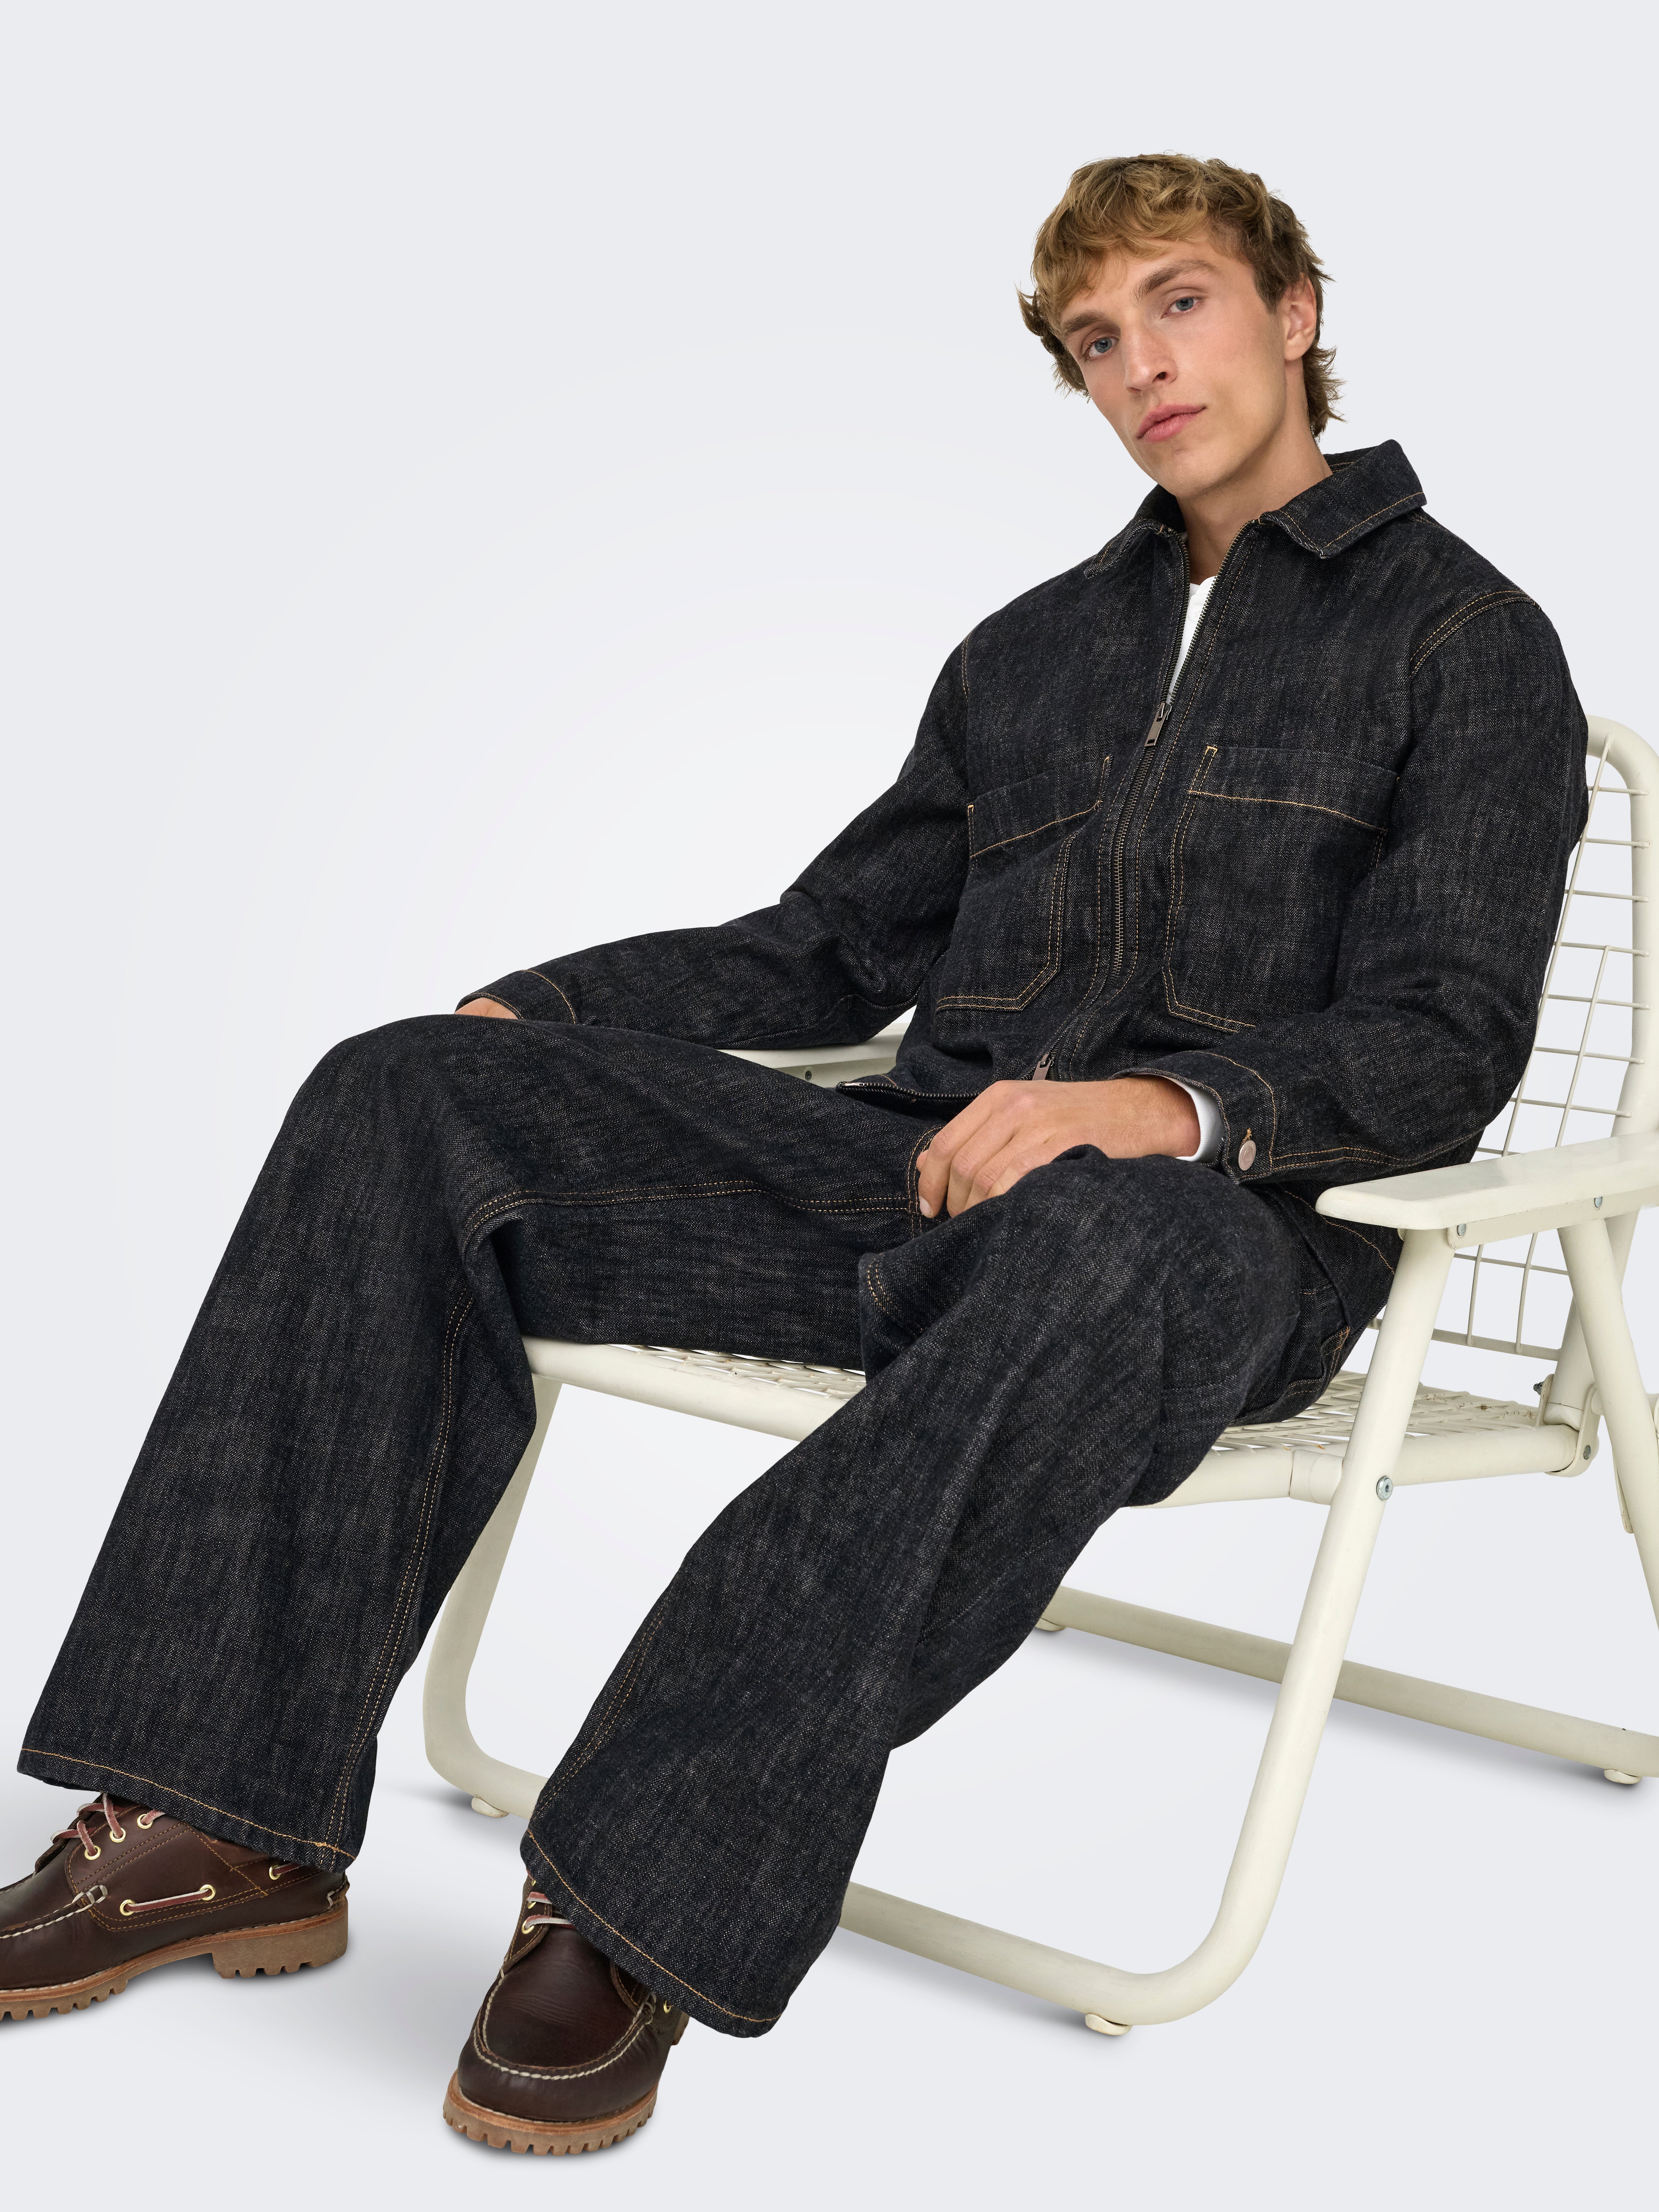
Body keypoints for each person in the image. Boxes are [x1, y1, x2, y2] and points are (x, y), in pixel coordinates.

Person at [4, 153, 1587, 2153]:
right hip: (913, 1180)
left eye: (1180, 304)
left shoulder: (1467, 640)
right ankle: (222, 1820)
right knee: (399, 1094)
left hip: (1216, 1243)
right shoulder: (1031, 652)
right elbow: (832, 948)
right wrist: (543, 1013)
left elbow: (1448, 1036)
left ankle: (630, 1900)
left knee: (1112, 1242)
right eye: (1096, 340)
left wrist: (1148, 1111)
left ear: (1293, 310)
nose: (1141, 367)